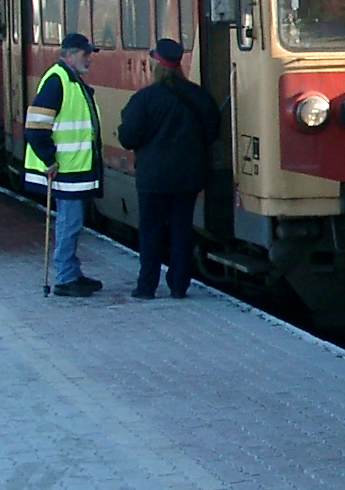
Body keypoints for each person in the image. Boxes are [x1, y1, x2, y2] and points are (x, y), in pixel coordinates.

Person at [116, 38, 221, 301]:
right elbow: (211, 132)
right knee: (181, 230)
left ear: (155, 65)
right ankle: (178, 286)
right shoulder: (199, 97)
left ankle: (146, 287)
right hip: (187, 177)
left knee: (150, 231)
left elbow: (127, 137)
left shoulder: (144, 99)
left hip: (153, 179)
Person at [24, 31, 105, 296]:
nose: (89, 59)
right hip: (63, 170)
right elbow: (35, 127)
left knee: (72, 223)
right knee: (70, 223)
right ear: (69, 54)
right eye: (85, 54)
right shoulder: (57, 81)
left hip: (73, 168)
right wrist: (49, 159)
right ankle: (65, 278)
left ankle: (71, 272)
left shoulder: (70, 80)